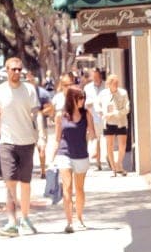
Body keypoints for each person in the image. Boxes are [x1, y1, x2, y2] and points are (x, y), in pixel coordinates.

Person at [0, 57, 39, 237]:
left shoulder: (29, 90)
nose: (16, 72)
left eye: (19, 69)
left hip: (27, 142)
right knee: (10, 183)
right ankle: (12, 222)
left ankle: (25, 218)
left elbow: (36, 115)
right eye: (13, 69)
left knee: (25, 184)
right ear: (6, 70)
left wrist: (42, 138)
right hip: (6, 143)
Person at [52, 84, 96, 233]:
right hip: (64, 154)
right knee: (67, 187)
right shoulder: (61, 116)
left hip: (81, 154)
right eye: (80, 98)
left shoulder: (87, 114)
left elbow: (92, 134)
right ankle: (69, 222)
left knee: (79, 189)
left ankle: (80, 218)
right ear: (72, 99)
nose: (82, 101)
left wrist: (94, 147)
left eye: (83, 98)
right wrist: (52, 157)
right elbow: (57, 138)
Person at [26, 70, 55, 179]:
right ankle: (28, 171)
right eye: (28, 80)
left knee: (41, 147)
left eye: (31, 80)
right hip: (27, 123)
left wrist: (41, 113)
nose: (29, 82)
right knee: (28, 148)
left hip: (40, 122)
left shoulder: (43, 93)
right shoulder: (23, 93)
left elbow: (51, 108)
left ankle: (43, 171)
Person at [100, 74, 130, 175]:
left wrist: (114, 113)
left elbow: (127, 108)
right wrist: (102, 113)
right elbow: (97, 105)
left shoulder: (123, 93)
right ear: (109, 84)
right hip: (108, 122)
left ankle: (119, 164)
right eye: (114, 83)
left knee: (122, 144)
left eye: (117, 83)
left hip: (120, 121)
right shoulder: (103, 94)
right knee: (110, 145)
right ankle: (113, 168)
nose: (116, 85)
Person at [84, 67, 105, 169]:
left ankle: (107, 159)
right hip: (92, 117)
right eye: (94, 76)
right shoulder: (87, 88)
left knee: (104, 140)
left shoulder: (106, 86)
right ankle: (98, 163)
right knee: (95, 140)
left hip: (105, 117)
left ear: (100, 75)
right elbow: (84, 103)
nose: (95, 78)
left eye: (97, 76)